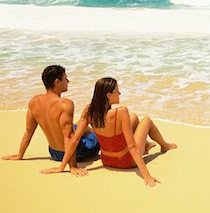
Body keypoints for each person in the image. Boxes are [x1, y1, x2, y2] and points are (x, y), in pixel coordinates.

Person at [42, 77, 177, 187]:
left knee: (134, 117)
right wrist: (146, 176)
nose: (120, 94)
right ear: (108, 95)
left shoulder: (89, 111)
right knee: (146, 120)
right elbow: (132, 147)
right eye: (117, 91)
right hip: (125, 161)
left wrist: (62, 167)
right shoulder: (121, 112)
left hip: (106, 160)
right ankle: (164, 145)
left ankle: (147, 145)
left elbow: (75, 139)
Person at [2, 65, 100, 176]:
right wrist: (73, 166)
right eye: (65, 79)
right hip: (76, 153)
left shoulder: (34, 102)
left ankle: (85, 130)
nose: (68, 81)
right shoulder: (65, 104)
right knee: (97, 135)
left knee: (78, 126)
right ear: (57, 82)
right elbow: (68, 136)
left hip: (54, 153)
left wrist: (20, 155)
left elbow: (29, 131)